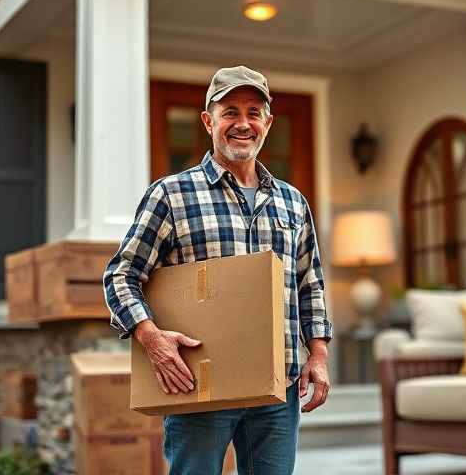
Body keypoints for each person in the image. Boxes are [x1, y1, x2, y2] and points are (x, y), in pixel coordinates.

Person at [103, 66, 333, 475]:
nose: (242, 123)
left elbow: (309, 283)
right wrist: (151, 339)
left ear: (267, 123)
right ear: (209, 121)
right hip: (197, 385)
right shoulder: (170, 195)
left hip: (276, 389)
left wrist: (318, 353)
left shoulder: (293, 202)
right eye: (230, 112)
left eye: (253, 112)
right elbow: (121, 275)